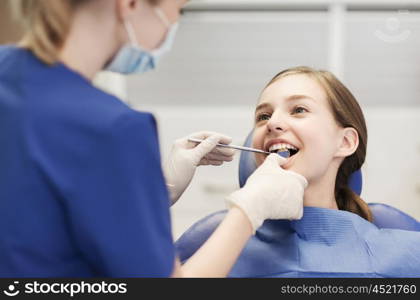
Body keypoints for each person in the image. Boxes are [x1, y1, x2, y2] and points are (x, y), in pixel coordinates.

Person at [0, 0, 309, 277]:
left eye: (299, 109)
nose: (173, 26)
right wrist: (249, 209)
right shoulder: (112, 128)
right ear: (130, 4)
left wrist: (157, 189)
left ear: (347, 142)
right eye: (178, 10)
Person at [176, 66, 420, 277]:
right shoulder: (206, 247)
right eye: (263, 116)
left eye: (299, 110)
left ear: (345, 142)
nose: (272, 123)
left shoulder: (405, 252)